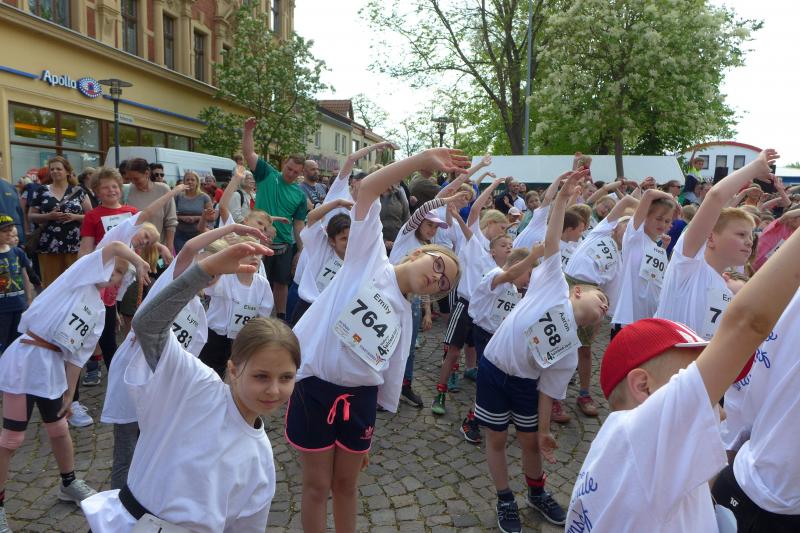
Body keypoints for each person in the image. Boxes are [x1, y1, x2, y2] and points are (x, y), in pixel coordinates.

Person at [566, 211, 800, 531]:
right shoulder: (639, 439)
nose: (722, 411)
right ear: (643, 386)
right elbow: (749, 323)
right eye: (692, 376)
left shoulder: (635, 454)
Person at [286, 147, 465, 533]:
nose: (437, 277)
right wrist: (419, 160)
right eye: (437, 265)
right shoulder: (368, 259)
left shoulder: (406, 317)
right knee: (316, 486)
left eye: (444, 282)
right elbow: (367, 189)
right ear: (417, 254)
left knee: (347, 485)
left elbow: (387, 371)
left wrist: (368, 432)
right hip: (314, 387)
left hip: (360, 400)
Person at [81, 240, 296, 533]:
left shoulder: (261, 459)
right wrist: (205, 270)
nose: (273, 390)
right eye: (261, 376)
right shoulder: (195, 384)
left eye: (286, 378)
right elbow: (148, 326)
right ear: (234, 370)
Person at [475, 169, 607, 531]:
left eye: (606, 306)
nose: (605, 305)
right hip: (493, 368)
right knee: (496, 438)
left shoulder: (571, 348)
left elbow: (549, 391)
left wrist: (546, 429)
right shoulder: (552, 284)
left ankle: (537, 492)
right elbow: (551, 240)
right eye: (601, 297)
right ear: (578, 291)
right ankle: (505, 498)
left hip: (524, 385)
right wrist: (562, 198)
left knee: (531, 441)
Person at [100, 222, 265, 492]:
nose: (211, 276)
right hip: (134, 377)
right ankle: (116, 503)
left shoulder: (199, 311)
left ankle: (146, 496)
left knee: (151, 447)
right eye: (207, 267)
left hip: (161, 387)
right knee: (126, 450)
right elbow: (189, 248)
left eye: (218, 272)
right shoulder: (174, 285)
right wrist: (230, 228)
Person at [0, 241, 149, 531]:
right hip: (24, 361)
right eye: (113, 268)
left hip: (51, 369)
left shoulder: (98, 310)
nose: (114, 275)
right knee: (12, 439)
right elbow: (115, 245)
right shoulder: (79, 278)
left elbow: (77, 358)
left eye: (120, 274)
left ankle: (68, 483)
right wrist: (138, 260)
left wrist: (69, 394)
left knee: (59, 429)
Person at [432, 178, 509, 416]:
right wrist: (493, 184)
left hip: (484, 310)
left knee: (479, 351)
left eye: (507, 234)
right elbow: (475, 210)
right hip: (465, 304)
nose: (505, 235)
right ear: (491, 224)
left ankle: (478, 402)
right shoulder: (476, 241)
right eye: (502, 229)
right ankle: (441, 391)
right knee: (453, 350)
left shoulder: (500, 262)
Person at [461, 241, 544, 444]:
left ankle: (496, 413)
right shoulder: (495, 274)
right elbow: (509, 274)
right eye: (528, 274)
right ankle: (471, 420)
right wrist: (533, 256)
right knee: (488, 380)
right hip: (483, 334)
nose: (528, 281)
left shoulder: (514, 289)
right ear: (518, 265)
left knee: (495, 379)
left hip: (496, 337)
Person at [564, 195, 638, 419]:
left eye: (632, 229)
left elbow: (610, 296)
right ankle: (552, 394)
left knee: (584, 347)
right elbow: (625, 202)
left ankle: (584, 393)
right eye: (626, 225)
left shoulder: (621, 262)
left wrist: (600, 316)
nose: (627, 231)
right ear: (616, 226)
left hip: (592, 294)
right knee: (560, 340)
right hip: (568, 286)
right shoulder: (600, 233)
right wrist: (643, 205)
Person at [243, 117, 308, 322]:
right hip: (257, 238)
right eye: (289, 168)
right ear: (284, 163)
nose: (291, 173)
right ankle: (251, 317)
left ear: (301, 173)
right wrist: (248, 131)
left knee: (281, 283)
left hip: (283, 245)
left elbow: (299, 224)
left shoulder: (299, 195)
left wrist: (301, 250)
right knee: (253, 278)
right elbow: (249, 154)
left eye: (296, 172)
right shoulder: (267, 174)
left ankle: (281, 318)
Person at [198, 235, 274, 378]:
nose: (254, 257)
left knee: (234, 375)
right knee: (207, 373)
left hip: (241, 339)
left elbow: (264, 314)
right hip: (215, 336)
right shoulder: (225, 277)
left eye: (257, 253)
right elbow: (207, 289)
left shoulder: (262, 284)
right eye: (248, 253)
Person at [610, 186, 675, 334]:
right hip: (628, 318)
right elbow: (649, 194)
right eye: (658, 218)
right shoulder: (635, 237)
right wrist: (672, 198)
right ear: (645, 216)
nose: (663, 224)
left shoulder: (656, 246)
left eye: (667, 221)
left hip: (648, 318)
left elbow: (652, 278)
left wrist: (662, 249)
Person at [27, 156, 92, 287]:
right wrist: (48, 216)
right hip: (48, 245)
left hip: (74, 245)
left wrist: (75, 217)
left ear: (67, 171)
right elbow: (31, 215)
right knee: (51, 285)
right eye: (52, 169)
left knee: (75, 283)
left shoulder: (78, 191)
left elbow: (91, 216)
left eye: (58, 169)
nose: (55, 171)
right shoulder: (41, 191)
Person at [0, 218, 33, 354]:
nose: (9, 234)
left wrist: (29, 299)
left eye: (10, 230)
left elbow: (25, 276)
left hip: (19, 304)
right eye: (4, 231)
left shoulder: (17, 252)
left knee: (17, 342)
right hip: (2, 308)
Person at [174, 171, 213, 252]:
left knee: (197, 258)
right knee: (180, 257)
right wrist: (182, 218)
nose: (190, 182)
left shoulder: (204, 197)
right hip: (180, 234)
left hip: (199, 234)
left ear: (197, 182)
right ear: (184, 182)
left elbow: (211, 217)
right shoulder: (178, 196)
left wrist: (195, 218)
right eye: (187, 180)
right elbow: (171, 215)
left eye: (192, 180)